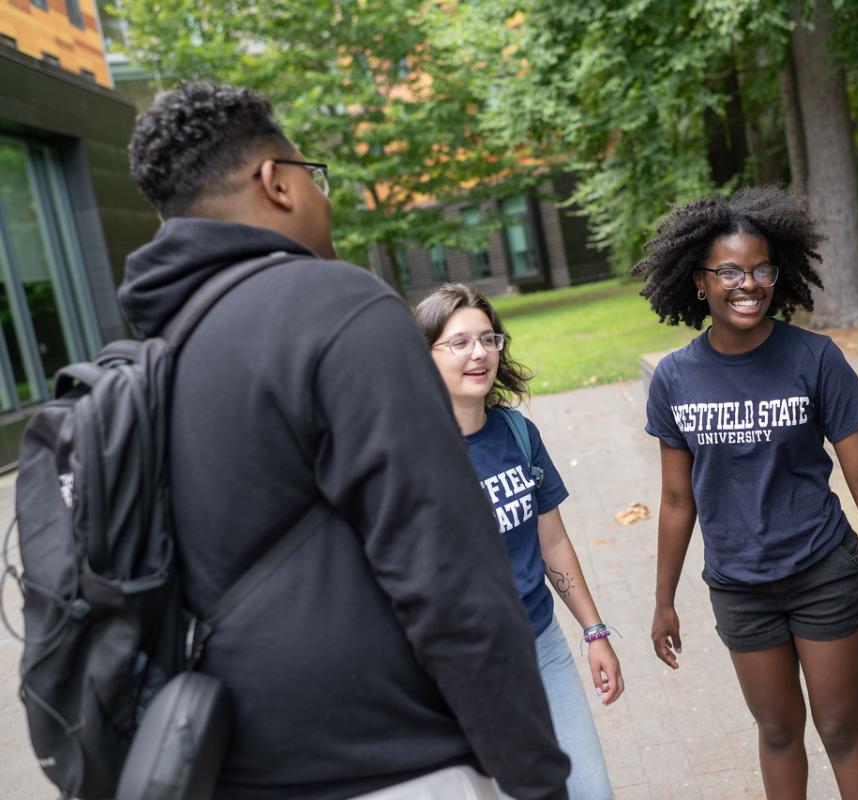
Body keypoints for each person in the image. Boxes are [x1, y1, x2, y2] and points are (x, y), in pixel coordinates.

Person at [121, 82, 569, 800]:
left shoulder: (159, 351)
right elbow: (448, 574)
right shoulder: (340, 307)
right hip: (395, 765)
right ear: (276, 182)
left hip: (235, 765)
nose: (322, 199)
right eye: (313, 176)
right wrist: (536, 776)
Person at [632, 187, 858, 799]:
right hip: (739, 583)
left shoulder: (814, 357)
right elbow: (678, 501)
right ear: (699, 282)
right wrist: (663, 600)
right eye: (729, 271)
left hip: (821, 570)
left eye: (761, 268)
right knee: (778, 730)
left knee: (840, 728)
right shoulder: (676, 378)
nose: (749, 284)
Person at [413, 283, 623, 800]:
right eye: (458, 342)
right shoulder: (414, 457)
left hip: (544, 643)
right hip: (472, 666)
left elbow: (552, 542)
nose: (479, 353)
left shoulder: (517, 433)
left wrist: (594, 632)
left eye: (488, 339)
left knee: (592, 792)